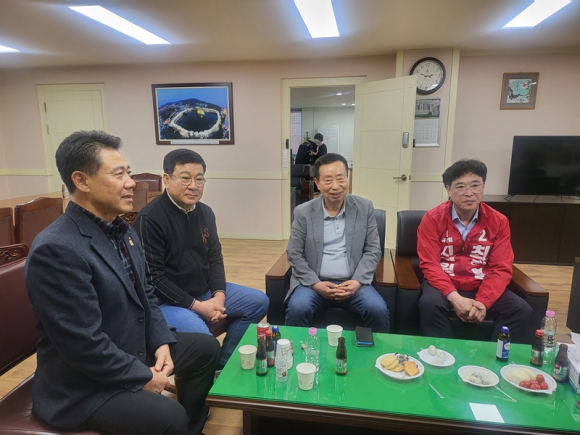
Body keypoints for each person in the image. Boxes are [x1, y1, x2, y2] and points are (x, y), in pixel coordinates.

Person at [25, 131, 220, 435]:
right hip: (83, 384)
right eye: (119, 174)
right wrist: (143, 376)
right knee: (171, 416)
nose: (131, 183)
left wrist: (161, 341)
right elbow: (83, 344)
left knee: (205, 349)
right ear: (82, 181)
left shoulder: (123, 232)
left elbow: (147, 296)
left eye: (129, 172)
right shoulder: (57, 249)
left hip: (130, 346)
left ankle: (192, 428)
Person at [134, 149, 269, 370]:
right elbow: (154, 279)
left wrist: (219, 296)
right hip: (167, 302)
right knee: (202, 338)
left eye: (199, 179)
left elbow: (215, 258)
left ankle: (222, 365)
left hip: (203, 291)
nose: (193, 186)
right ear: (166, 179)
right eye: (185, 178)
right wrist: (198, 307)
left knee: (258, 302)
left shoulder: (205, 212)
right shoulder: (149, 219)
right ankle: (207, 371)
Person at [417, 158, 533, 343]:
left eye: (475, 185)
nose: (469, 193)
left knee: (521, 309)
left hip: (481, 284)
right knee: (429, 304)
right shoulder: (432, 219)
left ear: (483, 186)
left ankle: (493, 357)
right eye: (460, 186)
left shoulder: (498, 221)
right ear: (448, 189)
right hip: (444, 284)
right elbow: (430, 264)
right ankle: (443, 355)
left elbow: (501, 267)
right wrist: (455, 298)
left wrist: (482, 303)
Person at [285, 153, 389, 332]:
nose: (335, 186)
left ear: (348, 178)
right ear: (317, 183)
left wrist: (357, 281)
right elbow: (294, 253)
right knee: (298, 308)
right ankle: (296, 350)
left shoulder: (364, 207)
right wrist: (315, 283)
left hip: (353, 283)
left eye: (341, 179)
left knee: (377, 309)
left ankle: (378, 351)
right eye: (328, 180)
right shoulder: (303, 212)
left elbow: (373, 250)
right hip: (313, 284)